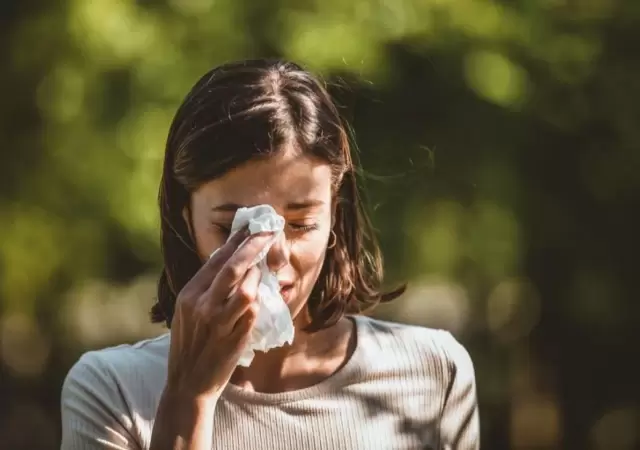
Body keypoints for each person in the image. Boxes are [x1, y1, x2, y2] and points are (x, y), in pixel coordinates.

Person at [60, 59, 479, 450]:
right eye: (233, 228)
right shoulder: (113, 391)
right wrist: (189, 397)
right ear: (185, 218)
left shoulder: (433, 372)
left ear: (336, 214)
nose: (273, 256)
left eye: (299, 224)